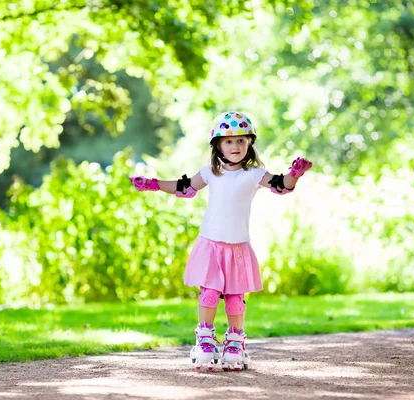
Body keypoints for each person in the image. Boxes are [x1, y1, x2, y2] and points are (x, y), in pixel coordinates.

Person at [130, 111, 312, 371]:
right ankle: (205, 340)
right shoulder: (210, 172)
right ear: (217, 145)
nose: (235, 146)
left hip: (238, 246)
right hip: (211, 244)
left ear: (249, 143)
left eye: (240, 141)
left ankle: (235, 344)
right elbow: (185, 188)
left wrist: (295, 174)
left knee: (236, 297)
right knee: (210, 293)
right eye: (228, 141)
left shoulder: (253, 174)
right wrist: (154, 184)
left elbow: (280, 185)